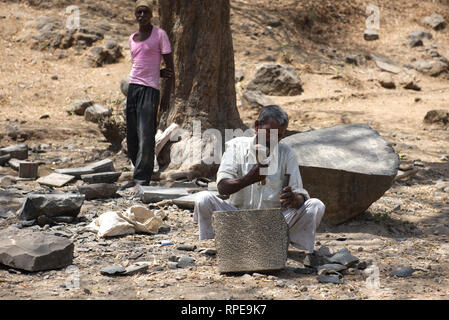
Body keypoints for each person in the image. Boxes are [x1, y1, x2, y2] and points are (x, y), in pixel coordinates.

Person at [193, 105, 325, 253]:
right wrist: (249, 179)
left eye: (279, 135)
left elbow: (300, 194)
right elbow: (222, 187)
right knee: (203, 198)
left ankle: (278, 244)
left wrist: (294, 198)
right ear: (257, 126)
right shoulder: (236, 147)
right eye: (269, 132)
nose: (273, 139)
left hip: (273, 225)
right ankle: (224, 242)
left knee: (315, 205)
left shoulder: (287, 154)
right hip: (236, 221)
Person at [125, 0, 174, 187]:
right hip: (133, 88)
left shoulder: (160, 35)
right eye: (139, 12)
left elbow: (170, 68)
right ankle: (137, 170)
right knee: (131, 135)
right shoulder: (132, 38)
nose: (142, 15)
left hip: (150, 90)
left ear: (151, 14)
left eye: (146, 12)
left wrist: (167, 96)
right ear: (135, 14)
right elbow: (141, 63)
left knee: (146, 135)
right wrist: (156, 71)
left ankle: (141, 179)